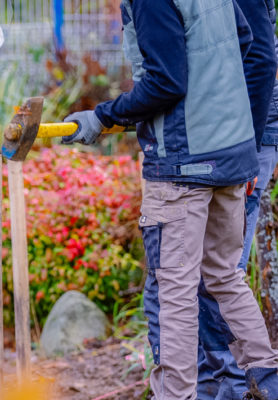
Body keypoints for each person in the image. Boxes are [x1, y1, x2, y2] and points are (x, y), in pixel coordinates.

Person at [62, 0, 278, 398]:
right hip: (231, 156)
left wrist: (103, 116)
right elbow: (248, 45)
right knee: (225, 276)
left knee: (175, 291)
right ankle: (268, 382)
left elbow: (166, 83)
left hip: (183, 164)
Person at [197, 0, 278, 398]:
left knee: (219, 274)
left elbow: (261, 58)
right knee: (209, 274)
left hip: (246, 140)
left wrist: (245, 153)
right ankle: (218, 383)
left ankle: (231, 385)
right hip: (237, 137)